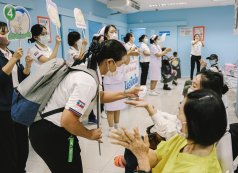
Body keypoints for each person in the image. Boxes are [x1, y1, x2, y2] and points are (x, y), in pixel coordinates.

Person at [28, 39, 140, 173]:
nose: (120, 68)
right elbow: (67, 120)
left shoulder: (90, 70)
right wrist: (90, 134)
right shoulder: (87, 81)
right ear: (110, 62)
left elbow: (99, 96)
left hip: (51, 129)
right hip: (50, 132)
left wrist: (125, 93)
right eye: (120, 64)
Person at [113, 70, 226, 173]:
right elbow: (158, 156)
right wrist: (140, 150)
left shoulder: (195, 169)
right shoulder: (186, 139)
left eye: (180, 113)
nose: (177, 117)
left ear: (192, 124)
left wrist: (142, 159)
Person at [0, 21, 33, 173]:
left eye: (7, 31)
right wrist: (13, 59)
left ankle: (21, 169)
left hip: (18, 104)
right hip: (4, 107)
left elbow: (20, 78)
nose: (6, 34)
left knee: (22, 143)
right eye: (2, 32)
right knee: (8, 146)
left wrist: (27, 66)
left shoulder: (12, 53)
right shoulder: (12, 56)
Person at [101, 25, 128, 132]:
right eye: (112, 31)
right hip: (109, 79)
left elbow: (126, 60)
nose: (114, 33)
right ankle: (111, 129)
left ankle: (117, 126)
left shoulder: (120, 45)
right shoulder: (103, 46)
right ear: (106, 33)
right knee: (111, 106)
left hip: (120, 79)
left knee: (119, 104)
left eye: (115, 31)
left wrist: (126, 55)